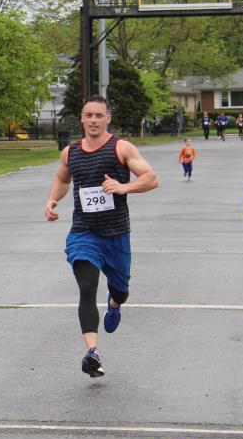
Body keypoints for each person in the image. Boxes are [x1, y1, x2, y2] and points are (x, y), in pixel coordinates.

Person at [44, 95, 159, 378]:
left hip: (116, 234)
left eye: (99, 115)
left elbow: (151, 178)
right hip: (84, 232)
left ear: (108, 118)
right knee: (87, 286)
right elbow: (62, 179)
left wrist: (123, 187)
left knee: (121, 290)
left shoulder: (121, 148)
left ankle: (115, 303)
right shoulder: (70, 152)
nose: (93, 120)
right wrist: (52, 200)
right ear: (81, 118)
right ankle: (92, 353)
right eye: (88, 115)